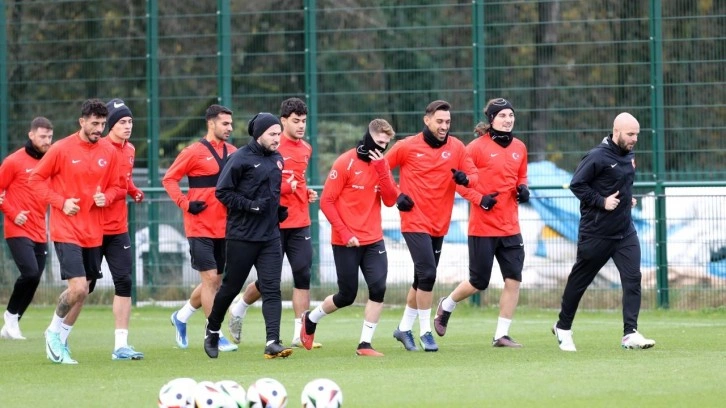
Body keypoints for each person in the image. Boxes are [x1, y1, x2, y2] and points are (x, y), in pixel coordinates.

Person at [28, 99, 123, 364]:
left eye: (103, 124)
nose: (99, 129)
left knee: (84, 290)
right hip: (66, 229)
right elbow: (35, 179)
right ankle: (52, 333)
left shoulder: (109, 151)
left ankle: (60, 338)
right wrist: (61, 202)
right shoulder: (61, 149)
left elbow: (117, 186)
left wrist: (106, 197)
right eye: (94, 123)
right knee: (78, 288)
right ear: (82, 121)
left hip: (94, 231)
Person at [552, 112, 655, 352]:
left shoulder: (629, 154)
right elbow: (577, 184)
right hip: (597, 232)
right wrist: (601, 201)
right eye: (630, 134)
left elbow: (619, 184)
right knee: (580, 281)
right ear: (616, 131)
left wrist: (628, 200)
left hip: (625, 232)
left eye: (637, 134)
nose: (634, 139)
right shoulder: (597, 156)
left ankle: (630, 333)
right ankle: (563, 327)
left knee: (633, 278)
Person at [433, 98, 529, 348]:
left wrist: (523, 189)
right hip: (482, 228)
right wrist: (480, 199)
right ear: (492, 119)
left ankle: (501, 335)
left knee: (513, 279)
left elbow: (521, 176)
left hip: (511, 227)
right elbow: (457, 182)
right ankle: (447, 304)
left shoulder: (520, 147)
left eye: (511, 115)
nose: (508, 120)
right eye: (502, 116)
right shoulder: (475, 148)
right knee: (479, 282)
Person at [299, 119, 398, 357]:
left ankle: (365, 344)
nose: (382, 147)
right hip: (346, 241)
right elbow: (326, 202)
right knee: (347, 295)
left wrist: (382, 170)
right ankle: (311, 319)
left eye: (386, 143)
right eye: (379, 141)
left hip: (373, 239)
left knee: (378, 288)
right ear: (369, 137)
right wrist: (345, 233)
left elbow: (390, 200)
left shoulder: (382, 163)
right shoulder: (345, 162)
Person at [385, 100, 478, 352]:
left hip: (440, 223)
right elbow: (380, 169)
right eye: (439, 121)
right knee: (428, 274)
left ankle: (403, 328)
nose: (444, 126)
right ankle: (425, 332)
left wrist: (465, 179)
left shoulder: (457, 147)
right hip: (414, 220)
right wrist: (396, 194)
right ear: (427, 120)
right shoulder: (406, 146)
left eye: (447, 122)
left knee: (420, 278)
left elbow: (475, 177)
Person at [227, 98, 320, 348]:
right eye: (296, 121)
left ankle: (300, 334)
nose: (301, 126)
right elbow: (261, 185)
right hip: (273, 223)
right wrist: (287, 188)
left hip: (300, 220)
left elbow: (297, 180)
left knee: (303, 272)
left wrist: (306, 192)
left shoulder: (306, 148)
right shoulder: (269, 147)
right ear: (283, 121)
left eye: (304, 121)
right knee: (269, 281)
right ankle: (240, 307)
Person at [203, 112, 291, 360]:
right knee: (230, 287)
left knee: (272, 288)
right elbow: (222, 192)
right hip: (242, 236)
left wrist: (277, 210)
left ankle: (272, 341)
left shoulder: (278, 159)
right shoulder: (240, 158)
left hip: (270, 236)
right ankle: (212, 330)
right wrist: (251, 206)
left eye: (278, 134)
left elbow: (270, 193)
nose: (277, 139)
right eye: (272, 134)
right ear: (259, 134)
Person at [163, 104, 238, 352]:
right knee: (209, 280)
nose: (230, 128)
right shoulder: (193, 152)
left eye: (231, 123)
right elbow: (169, 179)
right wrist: (185, 203)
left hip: (225, 228)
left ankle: (181, 316)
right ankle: (214, 334)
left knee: (215, 283)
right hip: (199, 227)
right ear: (211, 123)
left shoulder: (234, 153)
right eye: (225, 123)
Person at [98, 99, 145, 360]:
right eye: (122, 122)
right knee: (83, 287)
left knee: (124, 281)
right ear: (110, 125)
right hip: (93, 228)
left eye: (130, 122)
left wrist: (134, 191)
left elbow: (124, 181)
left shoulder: (130, 149)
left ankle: (120, 346)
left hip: (118, 228)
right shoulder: (99, 147)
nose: (128, 126)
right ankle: (58, 334)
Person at [0, 117, 54, 340]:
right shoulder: (13, 161)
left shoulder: (50, 161)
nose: (47, 141)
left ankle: (12, 323)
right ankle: (10, 317)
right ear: (31, 135)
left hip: (40, 229)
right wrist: (13, 213)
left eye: (50, 137)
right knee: (30, 272)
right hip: (17, 228)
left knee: (35, 278)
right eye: (42, 136)